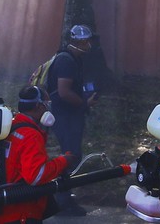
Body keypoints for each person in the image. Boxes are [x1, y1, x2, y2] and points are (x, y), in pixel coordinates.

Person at [45, 24, 113, 215]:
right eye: (87, 41)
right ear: (80, 41)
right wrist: (85, 103)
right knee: (70, 156)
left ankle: (62, 196)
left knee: (72, 155)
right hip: (65, 117)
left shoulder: (73, 59)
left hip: (69, 116)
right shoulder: (66, 61)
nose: (90, 44)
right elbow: (64, 92)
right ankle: (62, 201)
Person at [0, 86, 76, 224]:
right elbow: (36, 176)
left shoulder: (10, 128)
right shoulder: (30, 135)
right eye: (47, 104)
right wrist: (63, 161)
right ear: (38, 105)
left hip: (2, 211)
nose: (48, 108)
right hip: (22, 213)